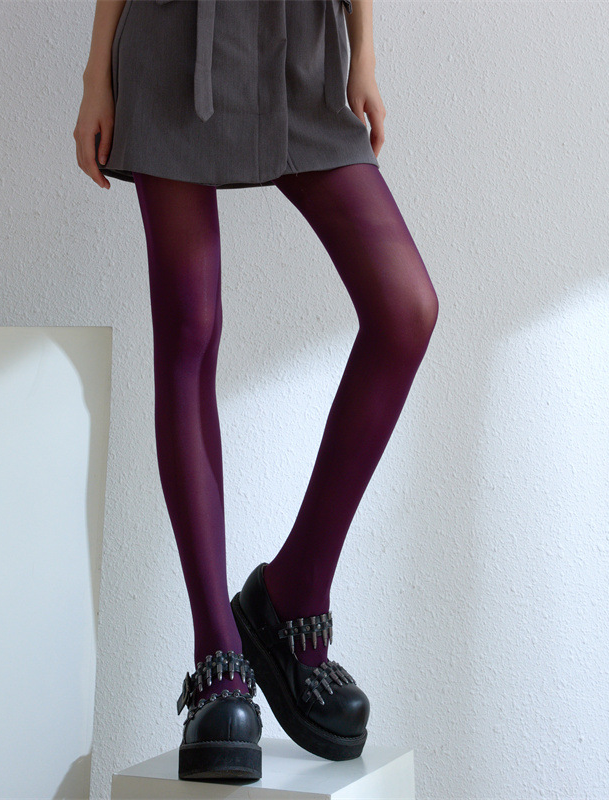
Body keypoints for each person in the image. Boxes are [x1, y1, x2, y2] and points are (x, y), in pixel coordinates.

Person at [74, 0, 438, 782]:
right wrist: (96, 74)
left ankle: (293, 593)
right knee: (189, 331)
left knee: (405, 309)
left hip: (302, 46)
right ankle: (218, 657)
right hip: (171, 45)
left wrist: (364, 54)